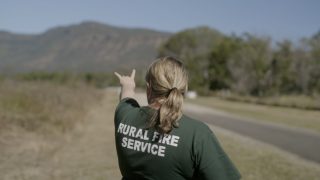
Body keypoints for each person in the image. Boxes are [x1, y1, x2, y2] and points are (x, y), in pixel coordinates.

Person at [114, 56, 241, 180]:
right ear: (184, 89)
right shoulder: (197, 134)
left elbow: (126, 97)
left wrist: (127, 85)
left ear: (149, 87)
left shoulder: (124, 116)